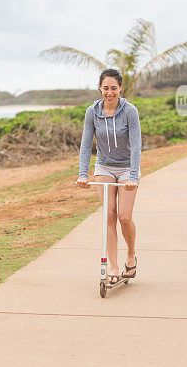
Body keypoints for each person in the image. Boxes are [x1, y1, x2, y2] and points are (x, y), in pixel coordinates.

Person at [76, 69, 142, 284]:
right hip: (104, 166)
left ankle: (131, 255)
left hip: (125, 169)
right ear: (100, 89)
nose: (110, 92)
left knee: (124, 216)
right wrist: (82, 174)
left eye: (114, 88)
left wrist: (133, 176)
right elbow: (86, 144)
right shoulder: (92, 112)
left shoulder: (129, 111)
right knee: (109, 216)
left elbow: (136, 145)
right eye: (106, 88)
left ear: (120, 89)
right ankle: (113, 267)